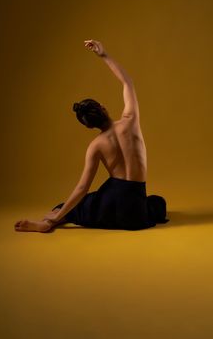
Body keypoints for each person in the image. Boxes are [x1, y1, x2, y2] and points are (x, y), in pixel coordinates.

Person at [15, 39, 169, 233]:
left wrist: (59, 214)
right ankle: (56, 219)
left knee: (71, 207)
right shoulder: (130, 120)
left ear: (89, 126)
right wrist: (103, 54)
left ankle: (49, 223)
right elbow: (127, 82)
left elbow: (82, 188)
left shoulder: (95, 146)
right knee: (158, 203)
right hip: (136, 214)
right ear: (103, 108)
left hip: (114, 208)